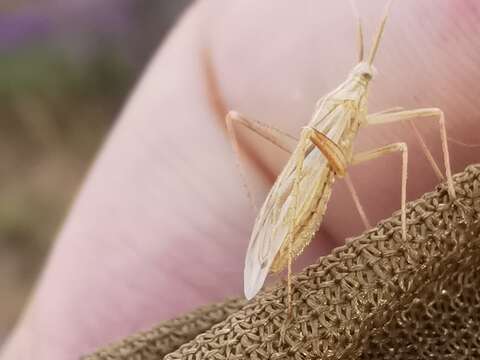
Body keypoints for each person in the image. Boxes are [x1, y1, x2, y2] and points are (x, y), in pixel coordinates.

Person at [2, 1, 479, 358]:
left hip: (320, 165)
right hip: (312, 172)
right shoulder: (346, 100)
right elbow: (336, 150)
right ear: (362, 81)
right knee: (335, 137)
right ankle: (309, 230)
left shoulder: (351, 97)